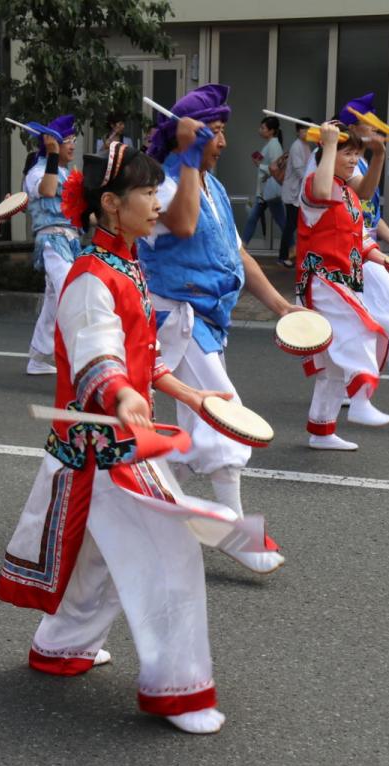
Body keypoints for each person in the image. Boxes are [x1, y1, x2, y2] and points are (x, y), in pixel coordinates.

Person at [0, 140, 281, 735]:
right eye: (148, 193)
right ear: (109, 203)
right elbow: (99, 354)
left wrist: (193, 396)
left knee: (98, 562)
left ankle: (60, 647)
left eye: (157, 191)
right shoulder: (90, 277)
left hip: (112, 449)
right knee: (170, 556)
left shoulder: (125, 264)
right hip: (103, 452)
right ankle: (179, 691)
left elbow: (140, 359)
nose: (159, 203)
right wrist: (121, 394)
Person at [140, 84, 293, 573]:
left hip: (206, 319)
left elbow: (236, 253)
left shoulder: (213, 185)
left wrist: (279, 305)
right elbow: (182, 226)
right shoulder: (163, 184)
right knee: (225, 416)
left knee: (193, 433)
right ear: (190, 136)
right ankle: (234, 533)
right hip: (177, 322)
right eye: (217, 132)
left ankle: (154, 517)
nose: (224, 143)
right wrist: (185, 154)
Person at [296, 122, 389, 451]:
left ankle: (321, 432)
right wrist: (329, 143)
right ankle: (362, 399)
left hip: (342, 278)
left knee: (333, 367)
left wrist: (378, 153)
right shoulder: (314, 185)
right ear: (329, 153)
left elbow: (365, 192)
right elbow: (322, 192)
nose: (353, 160)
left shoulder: (347, 192)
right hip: (322, 279)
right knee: (365, 330)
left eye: (356, 154)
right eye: (346, 153)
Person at [331, 93, 389, 388]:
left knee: (364, 318)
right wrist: (378, 155)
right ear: (354, 127)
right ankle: (383, 370)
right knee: (373, 309)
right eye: (369, 124)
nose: (376, 129)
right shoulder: (334, 161)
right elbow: (359, 196)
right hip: (340, 253)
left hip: (360, 247)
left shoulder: (354, 161)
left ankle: (359, 383)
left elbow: (369, 214)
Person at [22, 114, 79, 375]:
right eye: (67, 140)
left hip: (71, 239)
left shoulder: (68, 172)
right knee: (70, 294)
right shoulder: (37, 171)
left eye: (73, 140)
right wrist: (53, 156)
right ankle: (79, 359)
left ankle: (37, 357)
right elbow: (47, 190)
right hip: (51, 240)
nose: (72, 145)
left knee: (55, 301)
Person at [240, 116, 286, 246]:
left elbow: (275, 168)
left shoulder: (274, 145)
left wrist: (259, 165)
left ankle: (294, 247)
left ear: (271, 131)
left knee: (280, 221)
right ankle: (243, 245)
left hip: (269, 191)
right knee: (254, 218)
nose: (260, 130)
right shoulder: (271, 144)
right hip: (266, 191)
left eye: (263, 128)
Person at [279, 118, 314, 268]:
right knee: (291, 225)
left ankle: (294, 254)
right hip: (293, 192)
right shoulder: (297, 146)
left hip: (299, 192)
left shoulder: (306, 145)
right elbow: (300, 170)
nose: (306, 132)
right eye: (303, 129)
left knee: (294, 224)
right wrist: (311, 183)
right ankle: (283, 256)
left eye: (309, 129)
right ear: (297, 131)